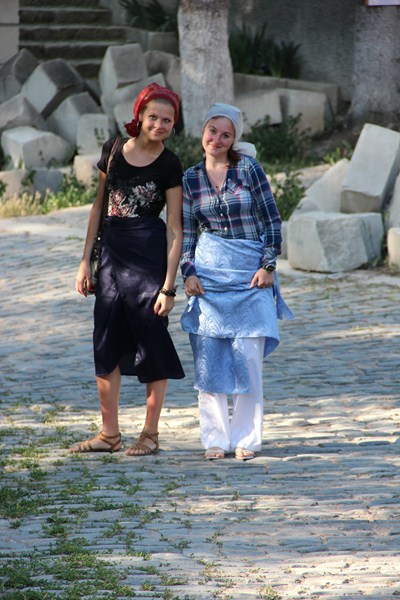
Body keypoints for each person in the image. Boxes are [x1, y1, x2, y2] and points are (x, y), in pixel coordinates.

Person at [70, 82, 185, 456]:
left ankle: (149, 434)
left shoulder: (170, 164)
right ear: (139, 115)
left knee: (151, 338)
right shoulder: (114, 149)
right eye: (153, 117)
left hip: (149, 258)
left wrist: (169, 287)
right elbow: (98, 207)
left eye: (167, 120)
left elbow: (174, 227)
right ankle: (109, 435)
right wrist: (85, 261)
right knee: (104, 339)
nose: (159, 125)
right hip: (111, 256)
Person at [180, 102, 293, 461]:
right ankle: (215, 439)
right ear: (203, 131)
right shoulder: (190, 178)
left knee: (248, 358)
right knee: (208, 358)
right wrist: (188, 271)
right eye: (212, 131)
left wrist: (268, 266)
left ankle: (247, 438)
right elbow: (186, 233)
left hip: (250, 276)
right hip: (209, 277)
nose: (217, 139)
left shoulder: (248, 168)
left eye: (225, 134)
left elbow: (271, 219)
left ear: (234, 139)